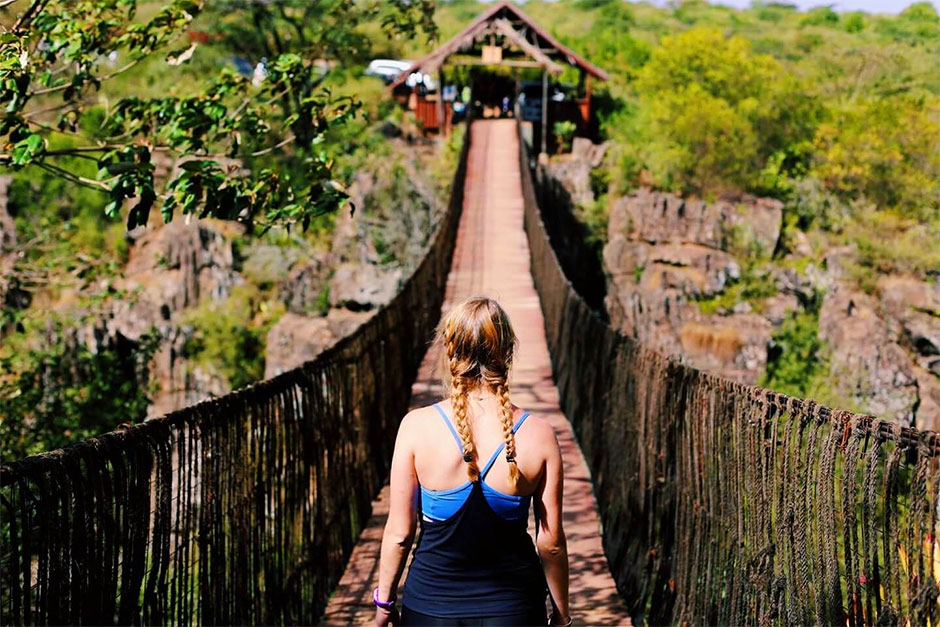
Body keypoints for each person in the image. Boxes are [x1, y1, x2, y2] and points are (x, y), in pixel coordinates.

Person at [373, 296, 570, 626]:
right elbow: (550, 543)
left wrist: (384, 604)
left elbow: (399, 534)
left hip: (431, 610)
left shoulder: (416, 427)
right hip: (515, 611)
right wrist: (562, 614)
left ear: (449, 349)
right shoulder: (539, 435)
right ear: (507, 351)